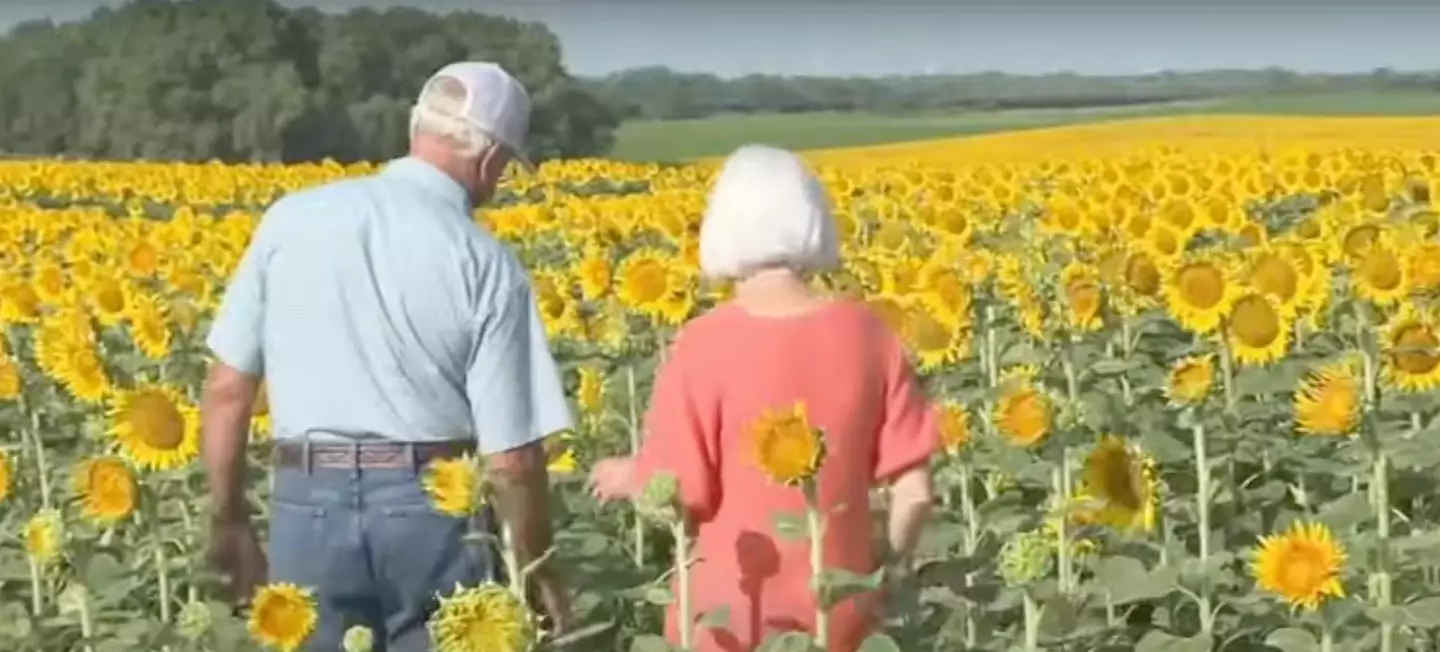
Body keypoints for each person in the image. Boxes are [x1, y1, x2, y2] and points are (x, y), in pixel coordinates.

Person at [200, 61, 573, 650]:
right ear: (489, 159)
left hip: (305, 498)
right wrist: (535, 568)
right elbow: (512, 461)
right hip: (430, 506)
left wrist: (230, 518)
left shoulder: (289, 221)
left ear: (415, 128)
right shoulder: (485, 260)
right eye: (503, 168)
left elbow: (226, 390)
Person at [590, 145, 939, 652]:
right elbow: (917, 492)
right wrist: (889, 572)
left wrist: (628, 476)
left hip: (731, 620)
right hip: (836, 617)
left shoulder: (703, 343)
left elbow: (682, 491)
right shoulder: (870, 334)